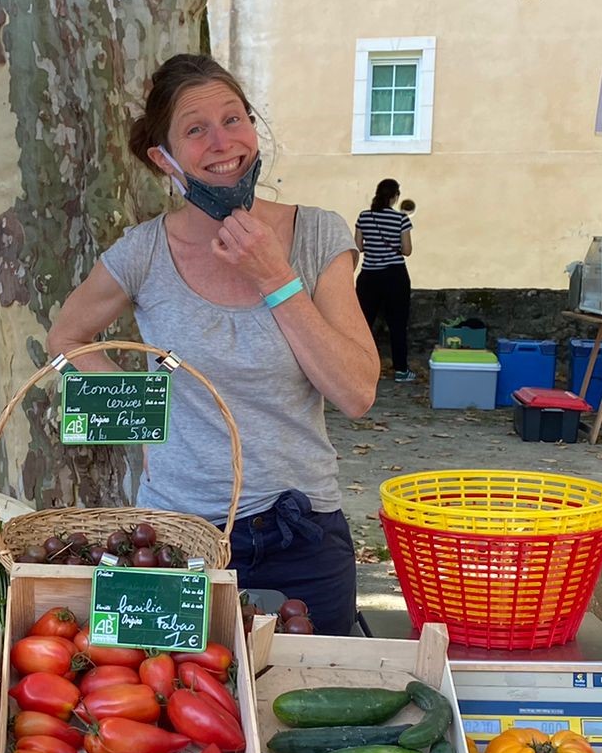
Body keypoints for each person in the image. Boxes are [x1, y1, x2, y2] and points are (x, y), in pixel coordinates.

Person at [47, 54, 380, 635]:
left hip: (301, 532)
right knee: (168, 708)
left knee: (307, 700)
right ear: (165, 158)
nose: (223, 142)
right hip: (170, 537)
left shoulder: (317, 234)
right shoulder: (143, 253)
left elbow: (356, 393)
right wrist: (141, 416)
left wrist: (275, 277)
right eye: (195, 129)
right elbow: (66, 338)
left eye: (234, 119)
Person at [354, 178, 414, 382]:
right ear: (395, 196)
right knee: (397, 324)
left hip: (369, 275)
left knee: (362, 324)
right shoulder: (401, 219)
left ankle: (360, 369)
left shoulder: (364, 217)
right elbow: (407, 250)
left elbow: (358, 246)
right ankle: (401, 370)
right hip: (394, 276)